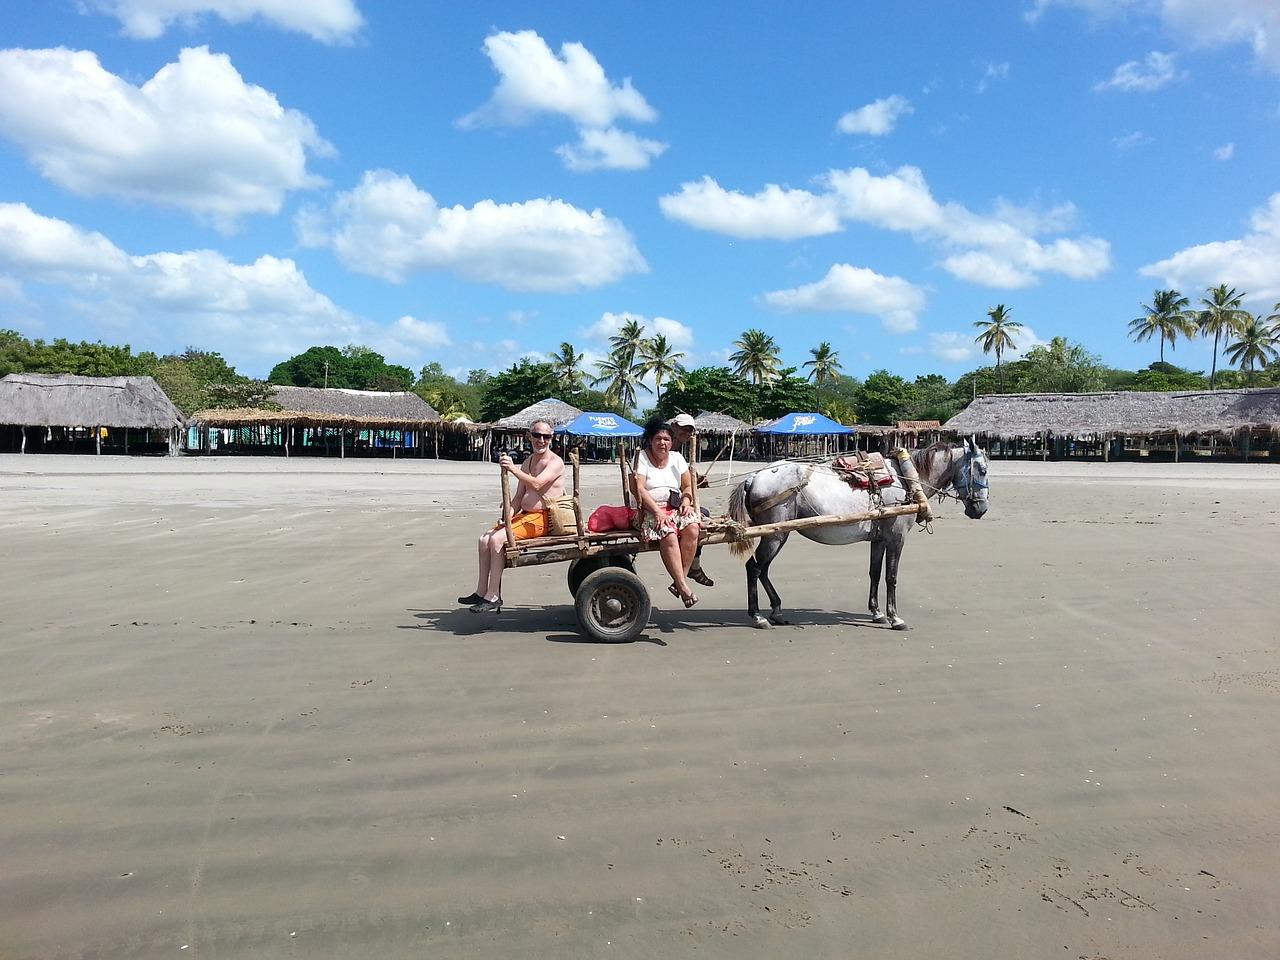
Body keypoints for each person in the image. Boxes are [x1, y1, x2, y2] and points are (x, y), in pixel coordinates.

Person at [460, 419, 565, 613]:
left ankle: (493, 596)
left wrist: (513, 469)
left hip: (545, 517)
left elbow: (537, 485)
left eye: (546, 436)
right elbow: (518, 498)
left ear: (552, 438)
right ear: (529, 436)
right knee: (484, 539)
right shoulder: (528, 462)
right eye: (537, 435)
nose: (541, 440)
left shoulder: (555, 462)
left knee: (497, 540)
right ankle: (481, 590)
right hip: (526, 515)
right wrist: (506, 517)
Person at [633, 416, 700, 607]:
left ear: (672, 442)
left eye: (666, 440)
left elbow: (687, 486)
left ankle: (680, 581)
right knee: (668, 533)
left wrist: (686, 501)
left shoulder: (677, 458)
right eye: (658, 439)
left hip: (675, 507)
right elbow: (638, 489)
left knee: (693, 528)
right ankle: (683, 586)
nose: (662, 443)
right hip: (648, 510)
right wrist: (657, 511)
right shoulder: (642, 458)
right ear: (650, 440)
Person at [666, 412, 715, 587]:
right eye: (683, 429)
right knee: (700, 518)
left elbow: (681, 477)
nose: (687, 434)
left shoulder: (677, 450)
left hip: (675, 496)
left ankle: (693, 565)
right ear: (674, 426)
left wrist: (696, 480)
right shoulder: (666, 445)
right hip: (664, 499)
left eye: (689, 431)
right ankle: (689, 568)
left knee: (703, 514)